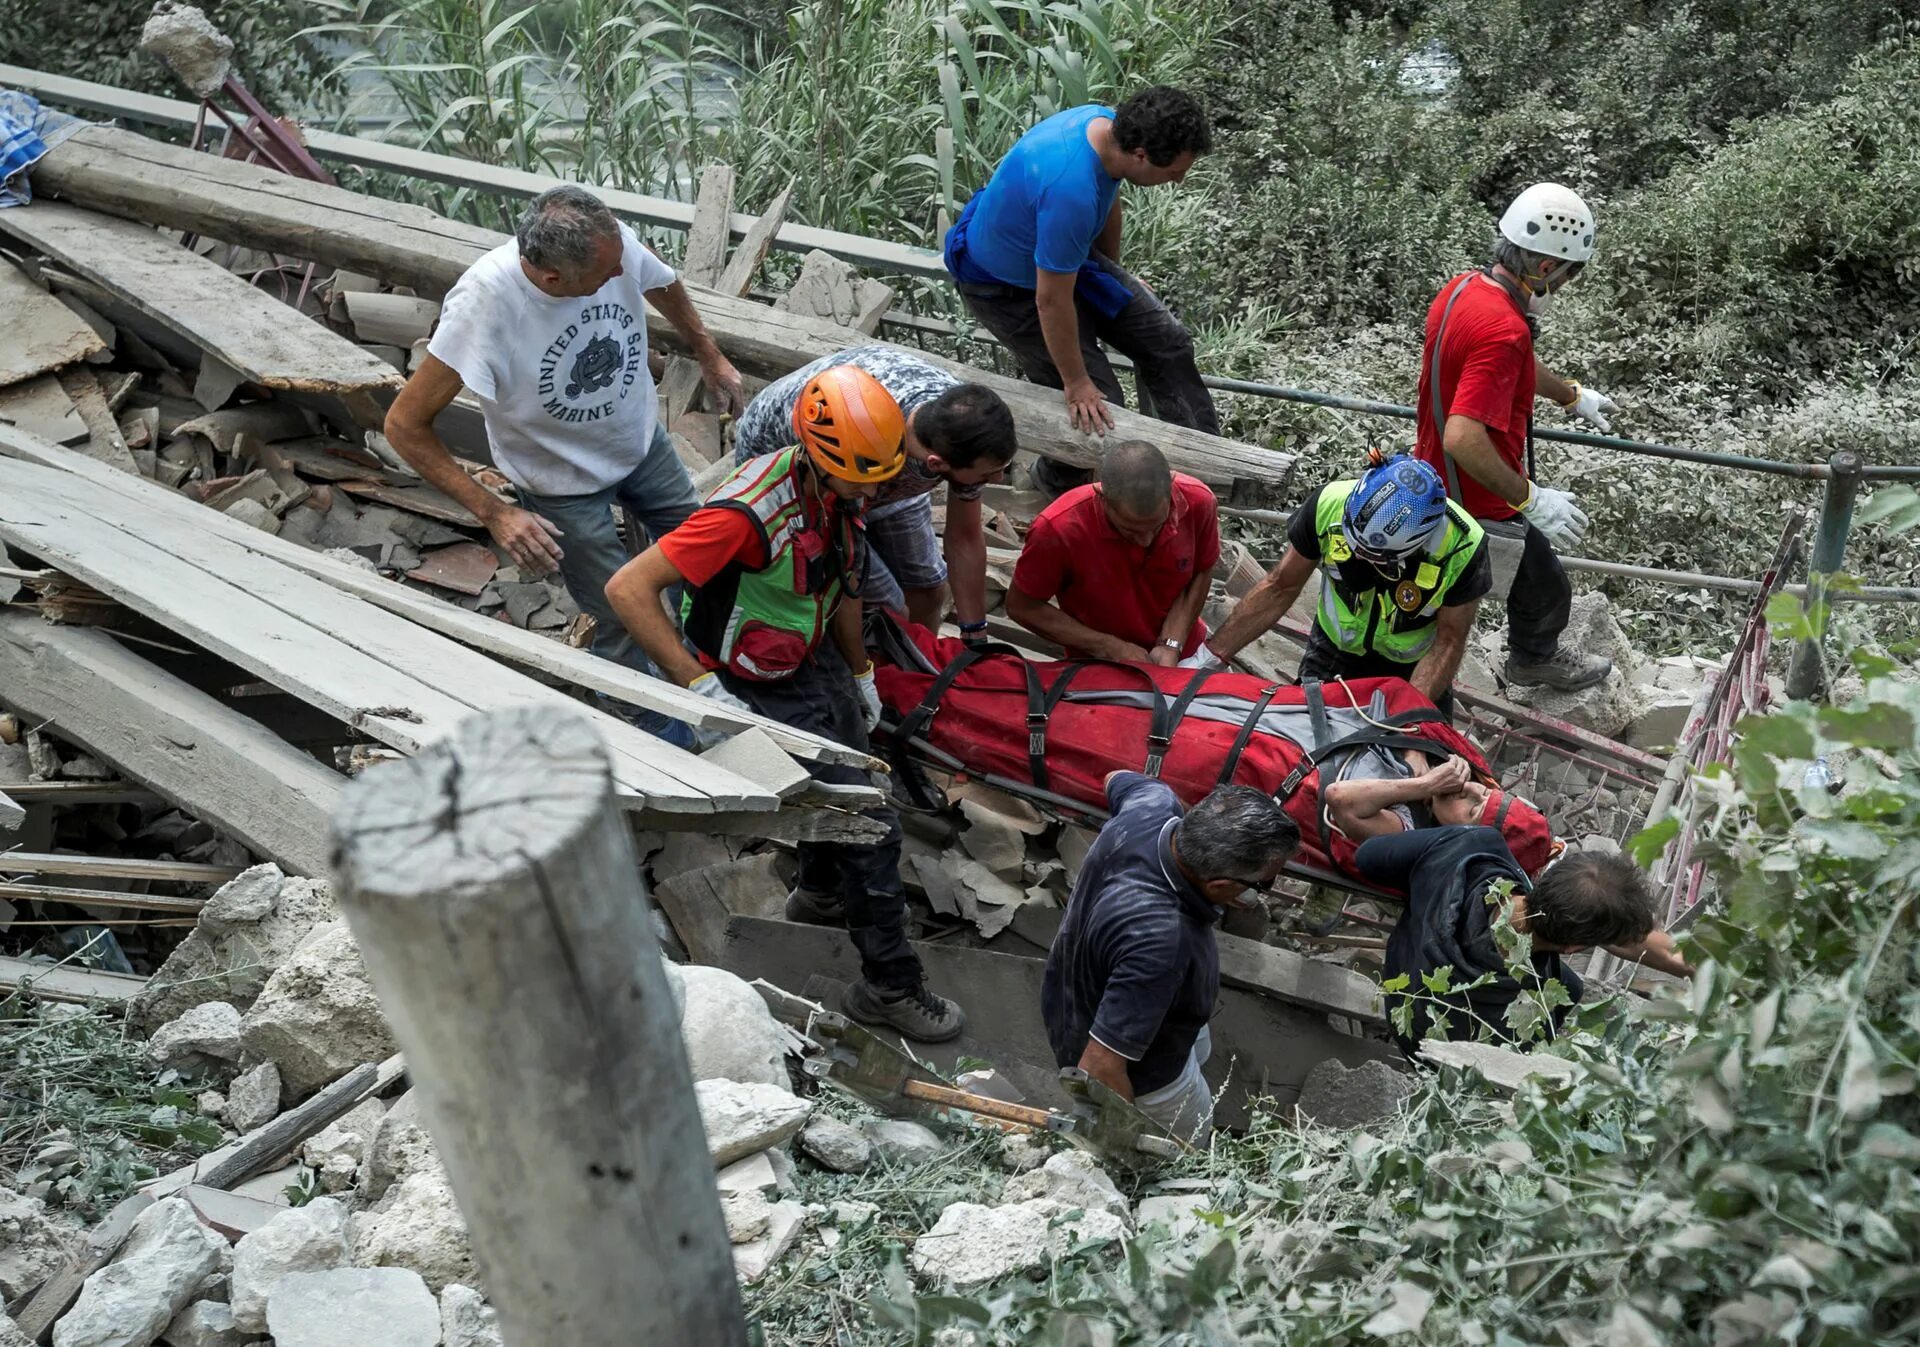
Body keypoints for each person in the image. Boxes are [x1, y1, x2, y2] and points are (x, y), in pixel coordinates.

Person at [604, 365, 964, 1043]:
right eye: (867, 478)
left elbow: (843, 581)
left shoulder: (835, 492)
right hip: (752, 672)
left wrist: (859, 670)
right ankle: (889, 984)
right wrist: (697, 687)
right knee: (868, 821)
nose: (879, 491)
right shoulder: (743, 515)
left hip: (806, 650)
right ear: (825, 459)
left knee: (858, 754)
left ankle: (820, 892)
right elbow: (628, 588)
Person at [385, 185, 744, 750]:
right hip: (559, 482)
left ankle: (709, 672)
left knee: (702, 567)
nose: (616, 277)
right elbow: (404, 426)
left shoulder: (609, 245)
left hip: (638, 443)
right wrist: (496, 513)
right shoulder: (485, 304)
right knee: (617, 614)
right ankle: (652, 726)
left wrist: (707, 351)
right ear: (552, 279)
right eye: (601, 279)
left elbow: (662, 281)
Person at [943, 86, 1218, 495]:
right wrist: (1076, 382)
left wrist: (1110, 276)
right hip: (1004, 288)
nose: (1179, 180)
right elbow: (1050, 300)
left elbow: (1108, 198)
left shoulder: (1106, 127)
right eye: (1175, 172)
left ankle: (1201, 468)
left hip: (1064, 259)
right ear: (1141, 154)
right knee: (1099, 408)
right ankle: (1048, 485)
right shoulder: (1068, 187)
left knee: (1168, 342)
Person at [1413, 182, 1616, 693]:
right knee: (1545, 586)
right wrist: (1530, 497)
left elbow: (1512, 362)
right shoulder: (1505, 328)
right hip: (1474, 495)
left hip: (1430, 473)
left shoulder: (1463, 289)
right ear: (1547, 268)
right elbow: (1464, 435)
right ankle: (1532, 659)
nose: (1566, 285)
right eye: (1569, 275)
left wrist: (1569, 394)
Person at [1042, 774, 1301, 1141]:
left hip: (1086, 991)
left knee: (1197, 1049)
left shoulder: (1152, 805)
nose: (1265, 892)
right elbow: (1099, 1067)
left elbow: (1115, 779)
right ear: (1219, 886)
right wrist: (1129, 1139)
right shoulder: (1161, 943)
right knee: (1184, 1141)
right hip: (1147, 1077)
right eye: (1264, 883)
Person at [730, 344, 1018, 636]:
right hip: (809, 473)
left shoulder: (963, 426)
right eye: (987, 474)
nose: (997, 478)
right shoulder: (864, 442)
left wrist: (974, 633)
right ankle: (871, 670)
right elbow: (839, 518)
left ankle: (915, 668)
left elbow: (965, 537)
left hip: (875, 468)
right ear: (937, 464)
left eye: (1003, 467)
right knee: (889, 608)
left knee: (929, 587)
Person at [1186, 456, 1489, 717]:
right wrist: (1211, 656)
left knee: (1422, 764)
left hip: (1413, 666)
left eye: (1374, 556)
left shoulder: (1462, 546)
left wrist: (1408, 716)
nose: (1359, 556)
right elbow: (1280, 587)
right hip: (1334, 652)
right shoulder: (1329, 504)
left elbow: (1449, 641)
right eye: (1355, 543)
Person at [1356, 827, 1688, 1053]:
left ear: (1544, 877)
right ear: (1572, 948)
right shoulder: (1528, 1019)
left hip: (1405, 982)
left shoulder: (1473, 848)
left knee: (1568, 985)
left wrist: (1425, 890)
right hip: (1426, 1050)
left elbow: (1368, 857)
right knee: (1569, 987)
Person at [1007, 440, 1219, 663]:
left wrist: (1171, 642)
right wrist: (1107, 646)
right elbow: (1022, 606)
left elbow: (1202, 571)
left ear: (1171, 492)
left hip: (1186, 649)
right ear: (1101, 497)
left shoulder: (1198, 501)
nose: (1145, 541)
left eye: (1157, 526)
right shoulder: (1058, 529)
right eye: (1130, 530)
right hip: (1099, 664)